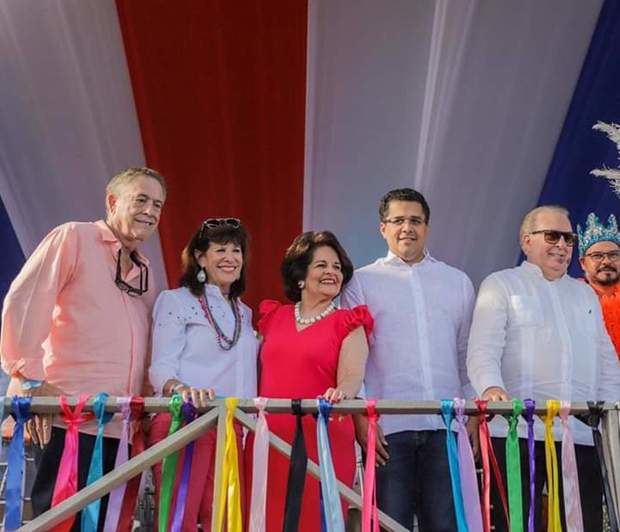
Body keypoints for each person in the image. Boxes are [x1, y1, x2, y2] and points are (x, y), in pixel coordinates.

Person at [0, 167, 167, 528]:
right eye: (141, 199)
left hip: (120, 427)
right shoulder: (75, 237)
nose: (151, 211)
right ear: (112, 202)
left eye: (158, 204)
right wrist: (29, 378)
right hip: (68, 422)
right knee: (62, 523)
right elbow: (25, 301)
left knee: (109, 524)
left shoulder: (147, 271)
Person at [467, 205, 620, 532]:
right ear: (526, 241)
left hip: (578, 433)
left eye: (568, 238)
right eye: (552, 236)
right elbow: (482, 350)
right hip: (517, 432)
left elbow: (606, 361)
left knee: (584, 525)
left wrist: (611, 414)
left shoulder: (584, 294)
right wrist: (491, 388)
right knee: (516, 525)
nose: (562, 245)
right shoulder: (501, 285)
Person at [341, 188, 476, 531]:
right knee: (390, 524)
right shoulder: (360, 281)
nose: (407, 228)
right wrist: (359, 417)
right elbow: (350, 356)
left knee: (444, 525)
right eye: (398, 220)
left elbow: (466, 354)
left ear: (427, 227)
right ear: (382, 228)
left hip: (445, 426)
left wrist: (473, 414)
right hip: (388, 430)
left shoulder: (456, 282)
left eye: (415, 220)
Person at [250, 231, 372, 532]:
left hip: (324, 436)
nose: (332, 272)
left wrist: (341, 394)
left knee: (315, 520)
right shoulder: (272, 317)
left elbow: (352, 376)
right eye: (322, 265)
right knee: (268, 518)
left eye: (337, 267)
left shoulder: (349, 321)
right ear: (300, 275)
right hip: (270, 437)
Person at [148, 217, 257, 531]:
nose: (230, 257)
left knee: (223, 522)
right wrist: (181, 389)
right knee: (177, 521)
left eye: (236, 250)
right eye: (220, 249)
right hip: (186, 420)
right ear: (199, 257)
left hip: (234, 426)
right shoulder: (176, 300)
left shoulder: (244, 312)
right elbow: (161, 367)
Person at [578, 212, 620, 355]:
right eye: (597, 256)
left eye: (614, 255)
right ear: (583, 263)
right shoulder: (568, 298)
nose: (607, 261)